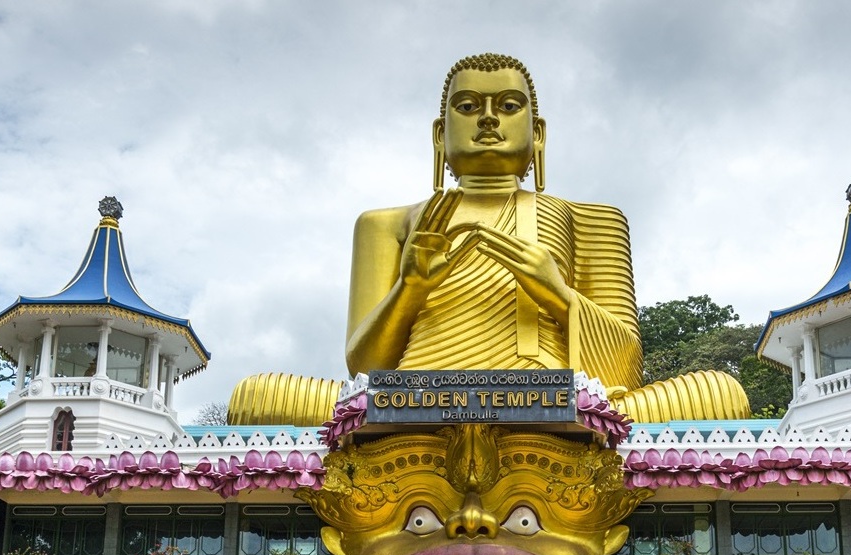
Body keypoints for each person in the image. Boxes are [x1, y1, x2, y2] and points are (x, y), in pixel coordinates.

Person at [227, 53, 749, 426]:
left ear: (538, 132)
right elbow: (365, 372)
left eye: (508, 105)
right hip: (412, 398)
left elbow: (623, 367)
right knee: (255, 398)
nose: (490, 119)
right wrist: (409, 289)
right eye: (470, 106)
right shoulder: (387, 224)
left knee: (721, 395)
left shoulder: (590, 218)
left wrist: (556, 294)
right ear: (440, 133)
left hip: (549, 396)